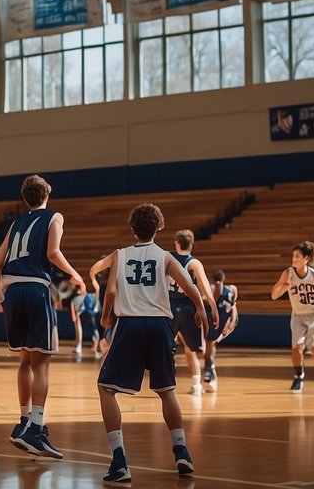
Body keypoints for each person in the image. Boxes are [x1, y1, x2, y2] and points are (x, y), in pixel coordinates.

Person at [97, 203, 208, 483]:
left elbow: (110, 291)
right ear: (159, 227)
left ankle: (120, 461)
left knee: (106, 388)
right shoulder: (165, 256)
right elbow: (188, 286)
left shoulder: (120, 255)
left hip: (130, 325)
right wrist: (201, 308)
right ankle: (181, 451)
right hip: (160, 325)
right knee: (166, 390)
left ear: (132, 229)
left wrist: (105, 317)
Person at [0, 174, 86, 458]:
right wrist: (75, 275)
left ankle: (23, 421)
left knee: (25, 360)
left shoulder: (16, 223)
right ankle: (36, 428)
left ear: (25, 198)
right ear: (47, 196)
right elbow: (53, 252)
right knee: (41, 362)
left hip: (12, 292)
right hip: (35, 288)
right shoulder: (55, 217)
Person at [270, 240, 314, 392]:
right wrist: (282, 287)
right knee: (296, 348)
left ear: (306, 259)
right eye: (293, 256)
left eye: (297, 256)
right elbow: (274, 295)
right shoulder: (288, 273)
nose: (294, 259)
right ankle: (298, 377)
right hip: (298, 316)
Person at [168, 229, 218, 395]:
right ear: (191, 244)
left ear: (177, 243)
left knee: (165, 347)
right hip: (189, 308)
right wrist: (213, 306)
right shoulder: (194, 263)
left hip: (169, 307)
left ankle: (165, 382)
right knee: (193, 349)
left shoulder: (167, 258)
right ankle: (198, 383)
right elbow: (204, 286)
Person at [203, 270, 239, 390]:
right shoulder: (229, 289)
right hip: (220, 322)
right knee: (207, 347)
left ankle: (209, 371)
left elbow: (233, 309)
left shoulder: (221, 289)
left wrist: (230, 324)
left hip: (224, 323)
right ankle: (209, 372)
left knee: (210, 344)